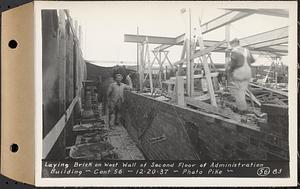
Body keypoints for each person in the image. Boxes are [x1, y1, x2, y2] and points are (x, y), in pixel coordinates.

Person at [225, 38, 255, 113]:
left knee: (237, 92)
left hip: (239, 73)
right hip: (248, 72)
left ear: (233, 44)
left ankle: (242, 110)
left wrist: (229, 69)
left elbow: (233, 64)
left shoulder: (235, 51)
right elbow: (253, 60)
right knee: (242, 91)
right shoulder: (247, 50)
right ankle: (243, 108)